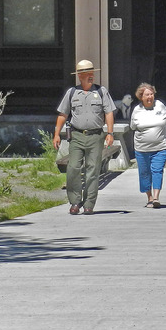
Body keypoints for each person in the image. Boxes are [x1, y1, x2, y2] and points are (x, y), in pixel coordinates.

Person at [53, 59, 116, 214]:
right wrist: (56, 134)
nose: (90, 76)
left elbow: (109, 112)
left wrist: (110, 133)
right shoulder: (72, 93)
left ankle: (89, 204)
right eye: (86, 74)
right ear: (80, 76)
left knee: (92, 170)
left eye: (91, 73)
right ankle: (75, 202)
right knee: (73, 167)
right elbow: (63, 114)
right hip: (77, 136)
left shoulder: (101, 92)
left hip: (96, 136)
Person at [129, 82, 166, 208]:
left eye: (152, 94)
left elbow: (165, 120)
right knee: (144, 173)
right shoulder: (137, 110)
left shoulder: (160, 106)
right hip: (142, 148)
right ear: (141, 97)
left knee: (157, 170)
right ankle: (149, 197)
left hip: (161, 147)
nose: (150, 97)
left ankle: (156, 197)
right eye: (147, 94)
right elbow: (133, 126)